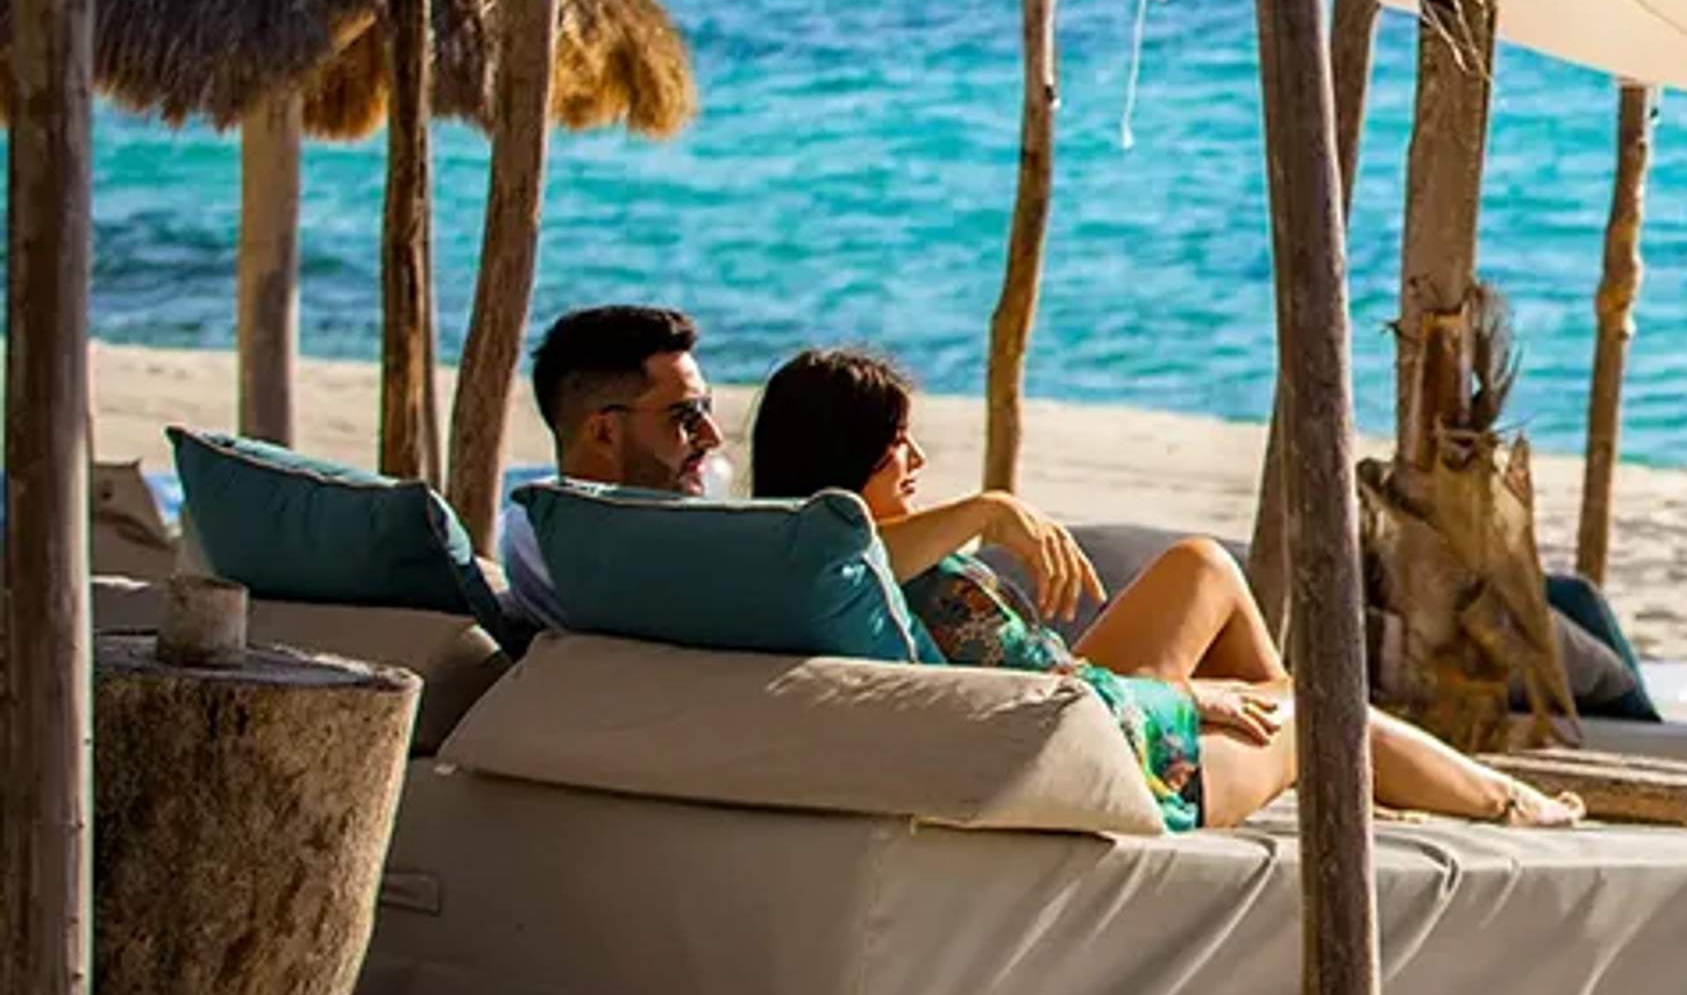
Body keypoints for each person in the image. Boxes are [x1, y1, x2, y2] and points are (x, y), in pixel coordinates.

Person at [747, 346, 1578, 835]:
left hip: (1075, 706)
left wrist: (1183, 692)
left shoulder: (812, 560)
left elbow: (871, 562)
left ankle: (1337, 753)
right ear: (844, 451)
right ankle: (1502, 801)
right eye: (897, 447)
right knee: (1319, 714)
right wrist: (991, 513)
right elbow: (869, 564)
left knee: (1202, 565)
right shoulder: (842, 561)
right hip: (1109, 751)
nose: (918, 463)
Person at [501, 304, 723, 629]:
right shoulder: (652, 568)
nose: (712, 436)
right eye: (685, 415)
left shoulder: (528, 525)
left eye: (707, 407)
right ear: (605, 432)